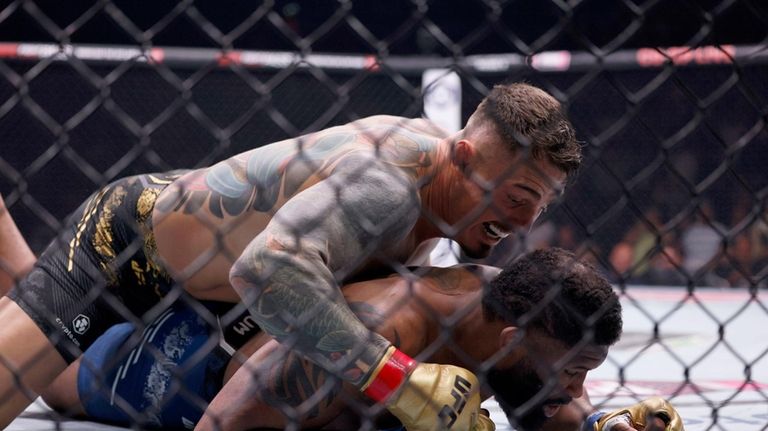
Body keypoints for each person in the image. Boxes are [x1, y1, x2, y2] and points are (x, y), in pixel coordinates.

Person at [0, 82, 582, 429]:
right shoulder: (384, 185)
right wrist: (398, 380)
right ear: (460, 158)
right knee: (27, 371)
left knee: (66, 382)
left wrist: (592, 413)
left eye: (543, 201)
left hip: (227, 297)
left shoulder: (445, 200)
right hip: (129, 248)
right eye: (519, 196)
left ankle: (25, 283)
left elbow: (516, 341)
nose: (527, 222)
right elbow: (264, 269)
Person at [39, 248, 682, 431]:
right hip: (182, 362)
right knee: (44, 359)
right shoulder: (382, 329)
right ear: (512, 341)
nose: (580, 388)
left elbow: (540, 397)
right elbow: (224, 422)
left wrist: (603, 424)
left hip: (228, 321)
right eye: (575, 373)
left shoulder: (509, 301)